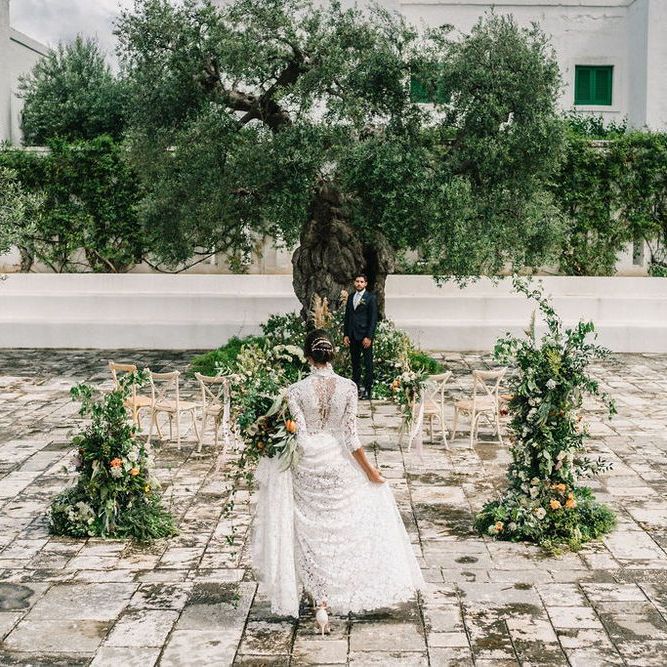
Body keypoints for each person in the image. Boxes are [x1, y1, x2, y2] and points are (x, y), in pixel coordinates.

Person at [253, 329, 424, 627]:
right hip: (336, 464)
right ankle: (330, 594)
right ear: (332, 354)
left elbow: (300, 436)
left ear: (308, 356)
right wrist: (370, 471)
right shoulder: (349, 387)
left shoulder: (294, 391)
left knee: (310, 532)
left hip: (307, 467)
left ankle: (319, 600)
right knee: (339, 526)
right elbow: (351, 438)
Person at [343, 273, 378, 400]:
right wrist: (346, 334)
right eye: (357, 281)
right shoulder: (351, 297)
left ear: (365, 284)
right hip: (353, 335)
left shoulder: (370, 298)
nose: (359, 283)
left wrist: (369, 337)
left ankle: (368, 389)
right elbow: (348, 317)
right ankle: (356, 388)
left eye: (361, 281)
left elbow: (373, 319)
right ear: (354, 283)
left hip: (364, 337)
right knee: (355, 363)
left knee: (368, 364)